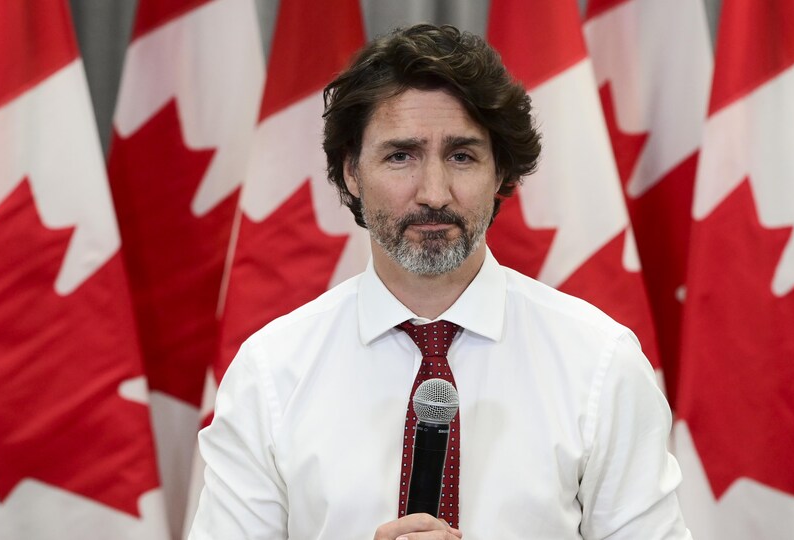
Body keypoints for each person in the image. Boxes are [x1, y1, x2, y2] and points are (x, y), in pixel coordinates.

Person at [188, 23, 691, 540]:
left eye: (461, 156)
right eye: (400, 155)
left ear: (499, 174)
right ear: (352, 172)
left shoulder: (600, 362)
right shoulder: (271, 373)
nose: (433, 192)